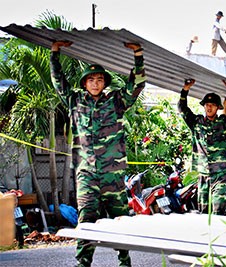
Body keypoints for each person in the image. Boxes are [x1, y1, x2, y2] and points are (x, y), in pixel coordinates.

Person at [50, 40, 146, 267]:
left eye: (100, 79)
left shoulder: (116, 101)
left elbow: (137, 85)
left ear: (104, 83)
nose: (95, 83)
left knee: (120, 221)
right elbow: (58, 82)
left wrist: (138, 56)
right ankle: (83, 263)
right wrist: (54, 52)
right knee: (86, 219)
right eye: (91, 79)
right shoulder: (75, 100)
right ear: (85, 83)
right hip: (86, 173)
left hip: (112, 174)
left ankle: (124, 261)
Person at [178, 79, 226, 214]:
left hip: (220, 175)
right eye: (207, 105)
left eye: (212, 105)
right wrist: (185, 90)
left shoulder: (224, 122)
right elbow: (182, 108)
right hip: (203, 175)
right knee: (203, 212)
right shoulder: (197, 122)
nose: (209, 107)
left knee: (218, 211)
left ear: (218, 108)